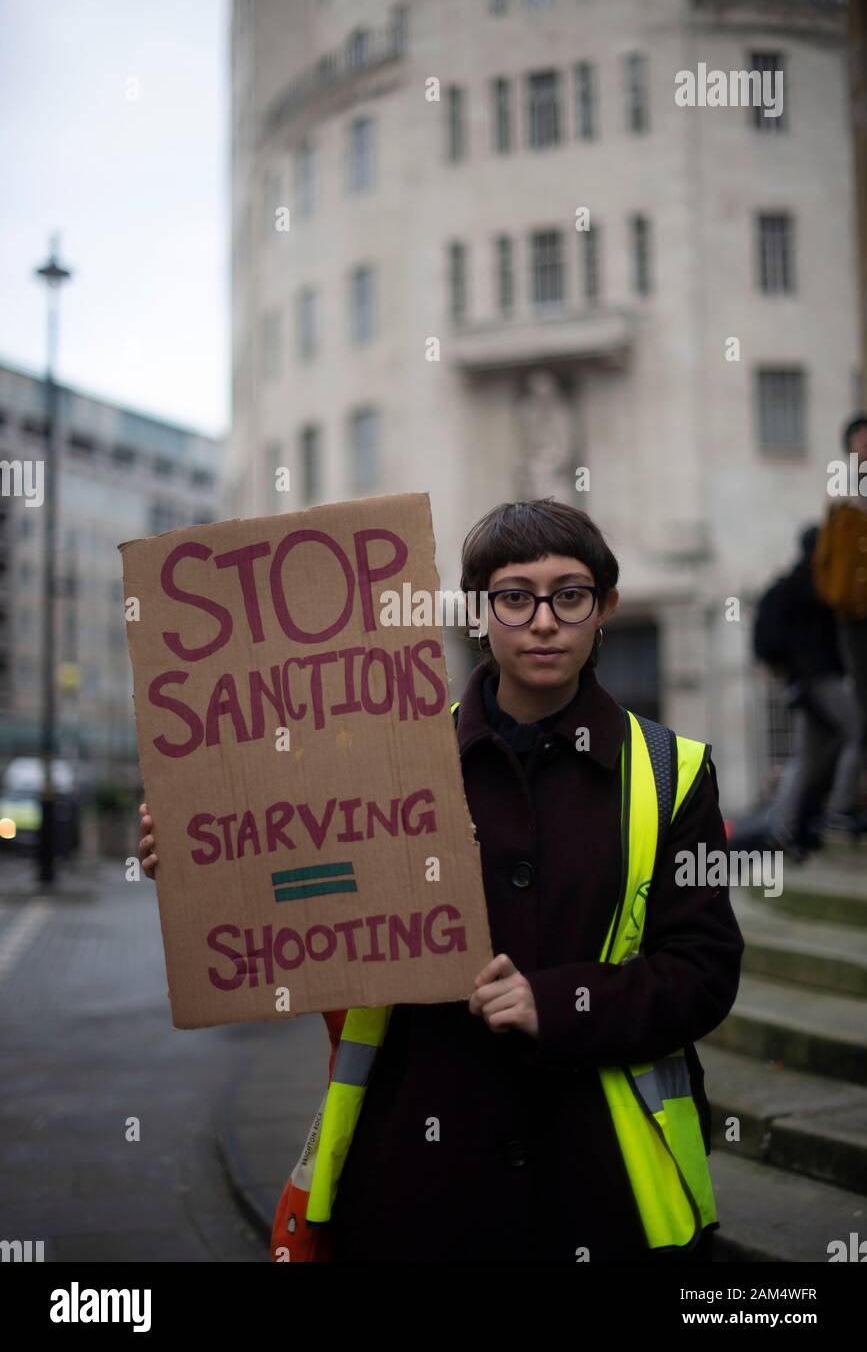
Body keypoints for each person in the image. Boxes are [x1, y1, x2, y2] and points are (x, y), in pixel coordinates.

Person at [139, 499, 745, 1263]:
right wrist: (209, 868)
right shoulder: (391, 764)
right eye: (514, 596)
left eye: (570, 594)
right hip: (417, 1175)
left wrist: (555, 1002)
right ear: (473, 612)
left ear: (605, 609)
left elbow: (701, 972)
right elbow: (308, 909)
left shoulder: (673, 772)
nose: (543, 620)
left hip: (602, 1181)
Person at [752, 525, 865, 851]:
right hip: (819, 678)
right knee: (857, 731)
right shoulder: (814, 585)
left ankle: (782, 829)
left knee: (807, 757)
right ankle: (840, 810)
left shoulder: (790, 586)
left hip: (803, 682)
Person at [812, 414, 867, 764]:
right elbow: (826, 558)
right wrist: (835, 595)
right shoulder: (840, 497)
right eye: (859, 439)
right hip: (854, 613)